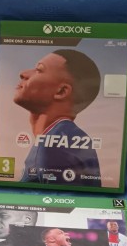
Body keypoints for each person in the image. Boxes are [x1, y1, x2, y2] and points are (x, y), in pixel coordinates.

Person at [13, 49, 101, 186]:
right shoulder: (69, 137)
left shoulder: (53, 144)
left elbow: (59, 198)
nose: (23, 73)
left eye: (39, 70)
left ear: (61, 91)